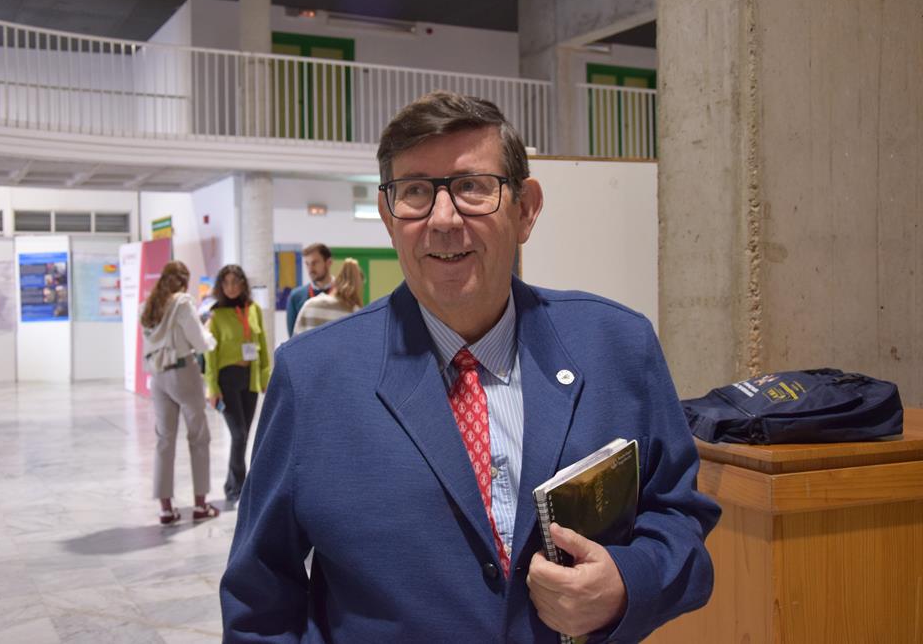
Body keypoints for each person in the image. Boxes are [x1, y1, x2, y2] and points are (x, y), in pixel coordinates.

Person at [220, 91, 720, 642]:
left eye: (472, 187)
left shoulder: (617, 347)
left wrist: (626, 582)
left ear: (525, 209)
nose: (442, 219)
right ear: (388, 216)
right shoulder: (313, 377)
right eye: (415, 191)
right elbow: (259, 597)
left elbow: (679, 520)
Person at [140, 260, 220, 525]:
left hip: (158, 376)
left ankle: (166, 509)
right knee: (199, 437)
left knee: (164, 441)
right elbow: (200, 343)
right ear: (185, 280)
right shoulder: (183, 303)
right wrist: (209, 332)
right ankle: (200, 505)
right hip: (183, 372)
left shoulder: (148, 306)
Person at [204, 264, 271, 503]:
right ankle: (237, 487)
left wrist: (265, 376)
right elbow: (210, 355)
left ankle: (234, 484)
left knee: (245, 435)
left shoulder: (253, 309)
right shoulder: (216, 314)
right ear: (221, 286)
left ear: (243, 284)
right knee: (239, 434)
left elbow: (262, 342)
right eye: (226, 283)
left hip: (250, 377)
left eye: (235, 282)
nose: (231, 287)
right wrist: (212, 387)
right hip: (227, 379)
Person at [291, 257, 364, 335]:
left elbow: (295, 339)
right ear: (359, 286)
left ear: (337, 281)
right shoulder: (356, 314)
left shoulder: (310, 305)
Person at [284, 243, 333, 337]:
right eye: (307, 264)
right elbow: (293, 339)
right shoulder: (296, 296)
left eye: (315, 263)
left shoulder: (344, 294)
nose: (310, 269)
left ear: (328, 262)